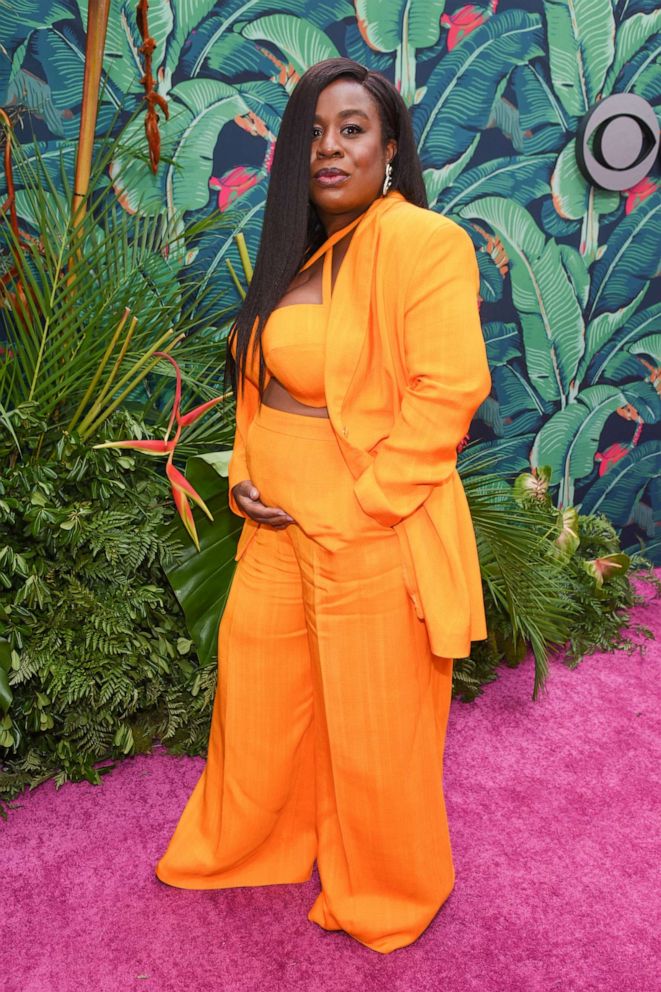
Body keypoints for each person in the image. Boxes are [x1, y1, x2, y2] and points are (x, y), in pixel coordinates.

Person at [155, 57, 491, 955]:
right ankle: (256, 842)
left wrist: (367, 502)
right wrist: (242, 476)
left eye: (351, 129)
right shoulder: (296, 250)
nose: (329, 147)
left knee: (373, 721)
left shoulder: (423, 241)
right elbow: (260, 387)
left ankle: (385, 886)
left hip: (369, 524)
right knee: (262, 702)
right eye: (311, 130)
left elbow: (447, 391)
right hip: (274, 521)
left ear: (389, 148)